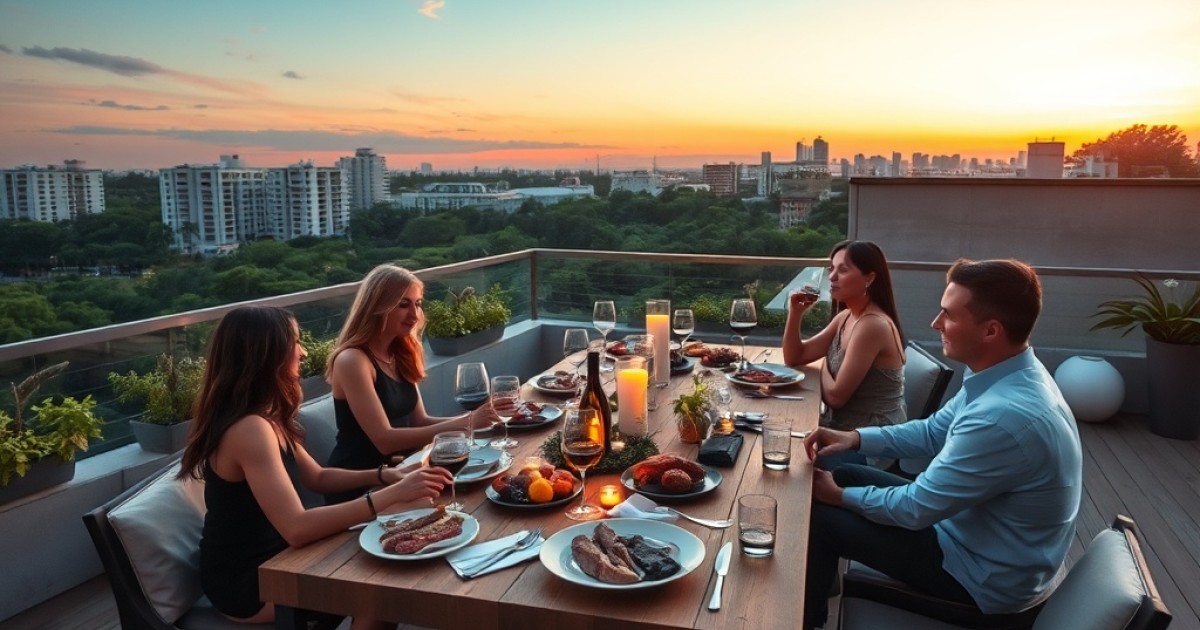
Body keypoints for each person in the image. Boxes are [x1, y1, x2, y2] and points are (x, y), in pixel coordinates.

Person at [800, 259, 1082, 628]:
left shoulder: (1002, 418)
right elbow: (932, 432)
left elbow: (915, 509)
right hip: (971, 534)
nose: (936, 323)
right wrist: (853, 438)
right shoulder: (1007, 374)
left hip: (980, 578)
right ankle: (817, 590)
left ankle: (806, 620)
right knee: (850, 472)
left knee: (821, 516)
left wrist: (837, 498)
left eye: (948, 314)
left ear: (991, 331)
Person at [179, 306, 454, 627]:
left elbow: (318, 476)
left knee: (399, 543)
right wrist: (387, 495)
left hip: (281, 555)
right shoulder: (248, 430)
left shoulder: (265, 415)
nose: (303, 352)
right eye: (294, 343)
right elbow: (296, 528)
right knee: (380, 592)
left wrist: (385, 475)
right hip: (251, 579)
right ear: (267, 355)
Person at [324, 264, 495, 504]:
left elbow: (420, 422)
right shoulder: (353, 360)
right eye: (403, 304)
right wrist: (467, 423)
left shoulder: (399, 353)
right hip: (363, 486)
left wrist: (483, 422)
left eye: (418, 303)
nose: (414, 315)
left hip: (406, 473)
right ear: (376, 307)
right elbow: (384, 439)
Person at [782, 241, 906, 467]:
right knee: (778, 433)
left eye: (843, 270)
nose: (832, 277)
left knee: (792, 462)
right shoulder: (847, 317)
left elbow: (836, 397)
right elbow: (794, 357)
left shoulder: (872, 326)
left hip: (870, 444)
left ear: (869, 278)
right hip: (840, 431)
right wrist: (795, 313)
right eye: (832, 268)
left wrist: (821, 366)